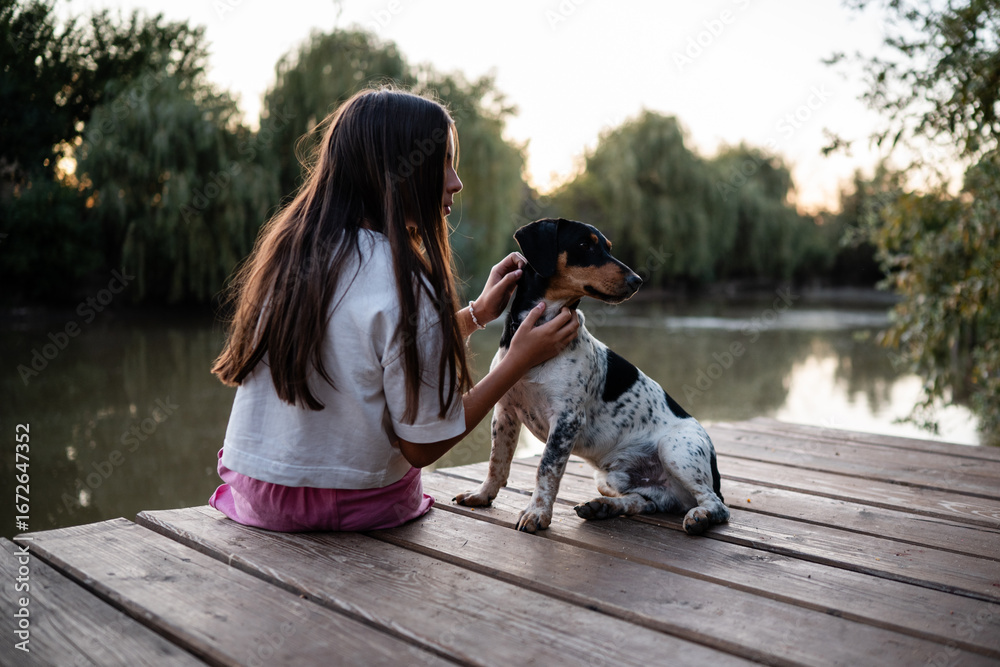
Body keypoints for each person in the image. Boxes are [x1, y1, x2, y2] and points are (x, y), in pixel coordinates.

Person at [208, 87, 578, 532]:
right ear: (395, 171)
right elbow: (421, 447)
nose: (456, 181)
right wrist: (518, 362)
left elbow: (365, 351)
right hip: (353, 502)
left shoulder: (291, 253)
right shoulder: (404, 279)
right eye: (442, 162)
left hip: (257, 493)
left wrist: (476, 313)